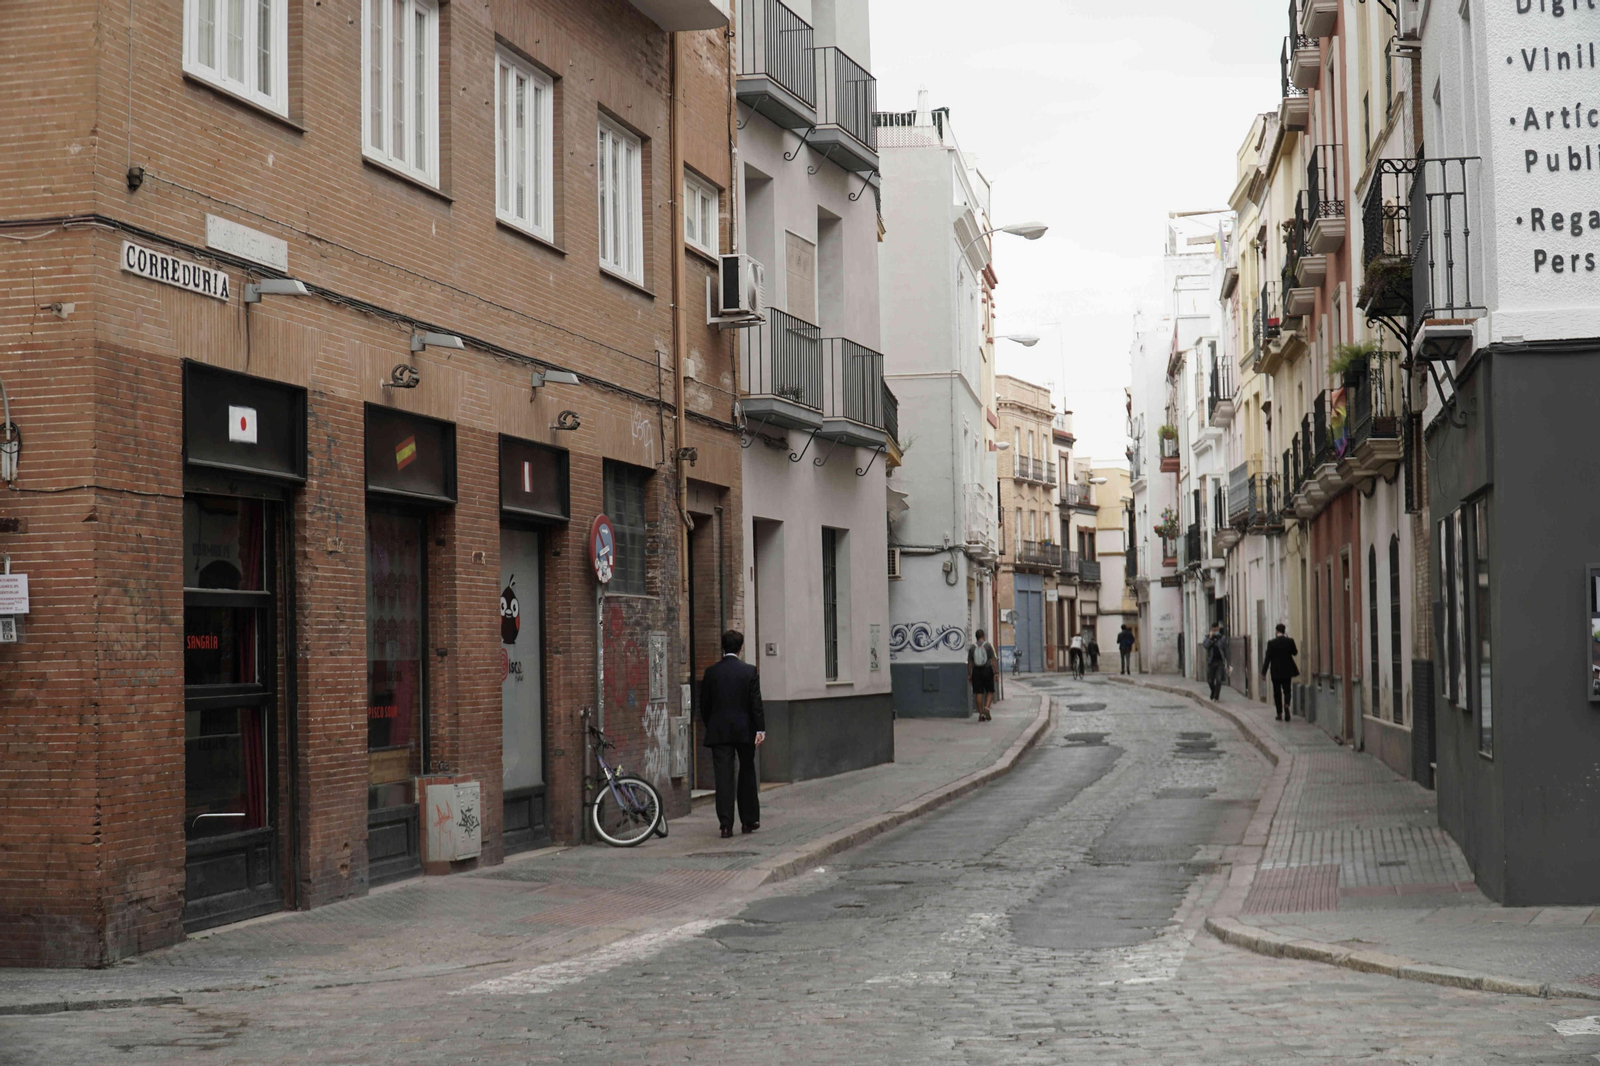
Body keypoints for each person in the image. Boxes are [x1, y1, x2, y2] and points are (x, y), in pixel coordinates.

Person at [698, 630, 765, 839]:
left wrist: (712, 724)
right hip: (745, 731)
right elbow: (756, 704)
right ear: (740, 647)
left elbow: (704, 705)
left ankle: (725, 825)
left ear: (723, 647)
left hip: (719, 731)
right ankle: (749, 820)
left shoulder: (711, 672)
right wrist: (760, 729)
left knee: (723, 778)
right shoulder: (749, 671)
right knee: (747, 772)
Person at [1261, 623, 1301, 721]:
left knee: (1277, 692)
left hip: (1276, 672)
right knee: (1287, 690)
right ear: (1284, 631)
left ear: (1276, 631)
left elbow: (1267, 659)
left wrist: (1263, 672)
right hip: (1287, 671)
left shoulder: (1271, 643)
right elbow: (1295, 653)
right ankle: (1287, 704)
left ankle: (1279, 713)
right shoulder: (1289, 641)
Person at [968, 628, 997, 721]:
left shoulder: (972, 647)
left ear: (976, 637)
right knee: (990, 690)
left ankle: (981, 715)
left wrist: (969, 674)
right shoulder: (988, 646)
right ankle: (987, 708)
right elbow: (993, 660)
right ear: (983, 636)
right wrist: (996, 672)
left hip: (976, 671)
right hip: (987, 670)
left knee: (978, 692)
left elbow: (969, 663)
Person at [1203, 623, 1228, 700]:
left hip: (1220, 662)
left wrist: (1227, 661)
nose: (1216, 631)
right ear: (1212, 630)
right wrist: (1210, 638)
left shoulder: (1222, 638)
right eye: (1214, 630)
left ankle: (1216, 697)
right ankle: (1213, 692)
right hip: (1211, 662)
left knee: (1218, 680)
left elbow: (1226, 650)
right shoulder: (1207, 637)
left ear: (1219, 629)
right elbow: (1206, 646)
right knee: (1210, 681)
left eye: (1217, 629)